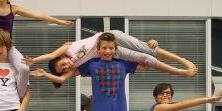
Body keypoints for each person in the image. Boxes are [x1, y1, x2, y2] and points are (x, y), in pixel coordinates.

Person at [23, 30, 197, 87]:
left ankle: (182, 60)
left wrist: (35, 60)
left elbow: (51, 55)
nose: (67, 66)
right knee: (146, 59)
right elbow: (60, 78)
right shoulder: (76, 67)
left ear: (62, 57)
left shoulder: (68, 47)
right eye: (65, 68)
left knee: (148, 48)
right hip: (111, 51)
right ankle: (182, 72)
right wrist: (45, 74)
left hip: (111, 36)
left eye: (63, 64)